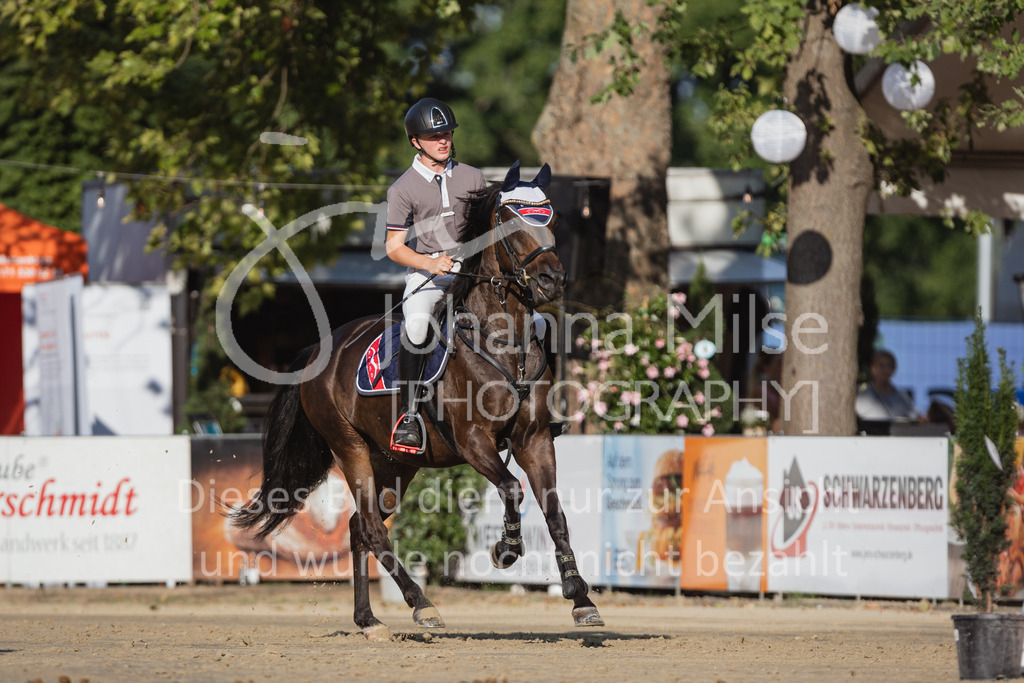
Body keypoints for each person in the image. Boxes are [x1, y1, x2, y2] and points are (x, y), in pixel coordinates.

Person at [385, 97, 486, 453]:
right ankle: (409, 416)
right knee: (415, 327)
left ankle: (537, 403)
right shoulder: (402, 188)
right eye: (433, 136)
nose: (442, 141)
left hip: (473, 272)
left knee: (532, 321)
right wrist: (429, 264)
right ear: (415, 142)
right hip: (428, 272)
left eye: (446, 134)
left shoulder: (474, 177)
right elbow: (394, 248)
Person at [855, 349, 923, 422]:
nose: (886, 369)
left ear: (894, 369)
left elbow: (916, 416)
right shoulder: (860, 391)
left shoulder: (902, 396)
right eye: (881, 365)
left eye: (890, 366)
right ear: (872, 368)